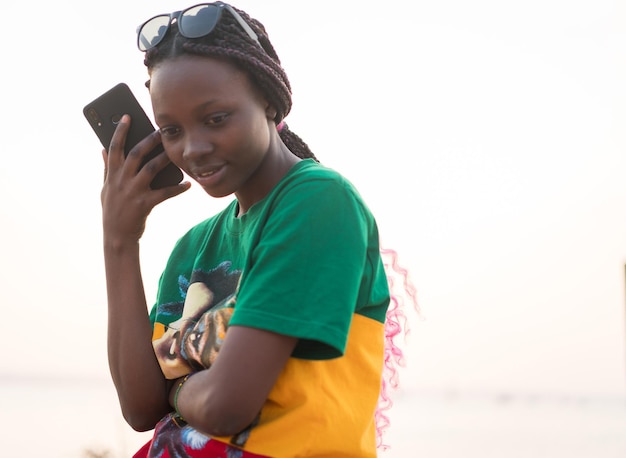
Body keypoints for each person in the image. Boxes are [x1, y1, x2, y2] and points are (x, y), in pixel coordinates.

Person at [100, 3, 412, 457]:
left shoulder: (317, 202)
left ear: (268, 100)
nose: (194, 148)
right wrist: (119, 242)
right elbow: (138, 406)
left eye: (216, 119)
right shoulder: (194, 247)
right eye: (171, 130)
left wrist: (178, 386)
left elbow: (227, 407)